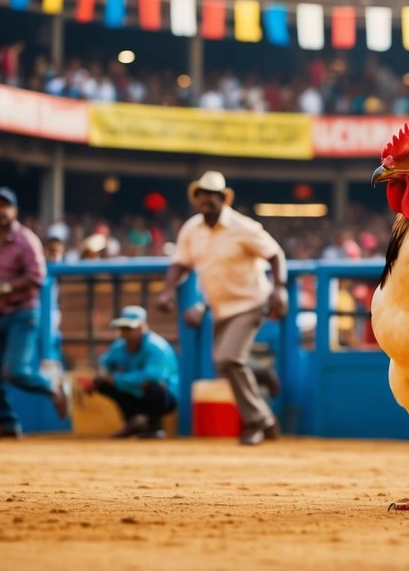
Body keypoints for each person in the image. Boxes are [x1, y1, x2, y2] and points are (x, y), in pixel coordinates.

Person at [157, 171, 286, 445]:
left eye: (212, 195)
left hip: (251, 303)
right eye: (201, 194)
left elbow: (275, 254)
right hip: (219, 307)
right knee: (228, 364)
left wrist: (279, 288)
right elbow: (180, 263)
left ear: (223, 199)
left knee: (226, 359)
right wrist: (168, 290)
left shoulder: (243, 227)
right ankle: (261, 382)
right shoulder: (191, 229)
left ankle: (257, 422)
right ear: (196, 199)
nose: (206, 200)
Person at [0, 187, 69, 439]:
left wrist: (7, 286)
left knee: (14, 372)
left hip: (22, 313)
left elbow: (38, 276)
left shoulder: (26, 239)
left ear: (14, 210)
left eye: (4, 205)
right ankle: (6, 424)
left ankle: (52, 387)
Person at [91, 305, 179, 439]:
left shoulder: (157, 347)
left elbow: (153, 376)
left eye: (129, 328)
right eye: (123, 329)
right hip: (135, 391)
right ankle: (133, 422)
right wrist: (102, 376)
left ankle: (153, 427)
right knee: (101, 383)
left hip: (166, 396)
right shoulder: (119, 346)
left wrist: (117, 379)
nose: (125, 333)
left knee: (154, 387)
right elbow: (104, 363)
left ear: (143, 327)